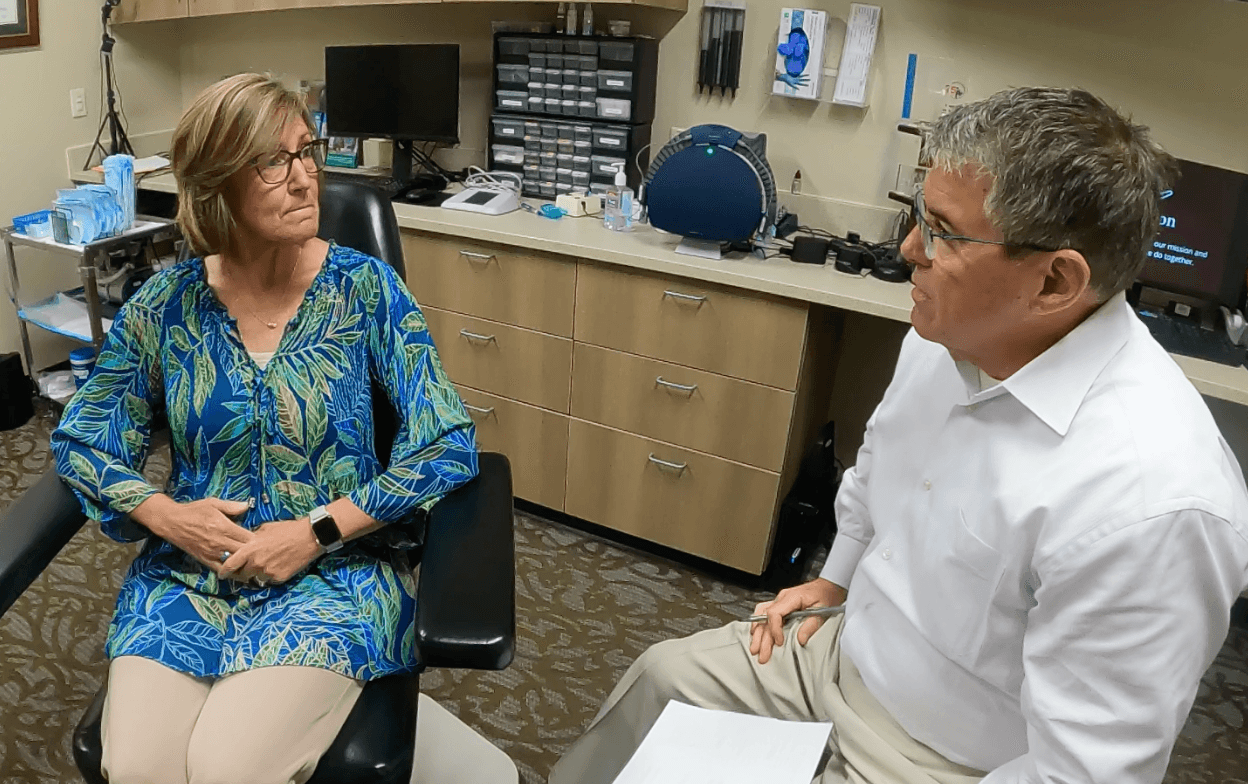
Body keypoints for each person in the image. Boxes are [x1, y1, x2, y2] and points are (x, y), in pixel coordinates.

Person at [550, 87, 1248, 784]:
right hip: (840, 654)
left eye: (943, 231)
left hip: (945, 761)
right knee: (663, 680)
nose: (910, 248)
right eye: (920, 214)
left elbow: (1081, 774)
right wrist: (835, 579)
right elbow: (880, 468)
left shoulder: (1154, 503)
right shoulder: (947, 337)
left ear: (1055, 282)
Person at [51, 73, 500, 784]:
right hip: (190, 576)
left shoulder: (364, 290)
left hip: (333, 578)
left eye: (306, 152)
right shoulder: (165, 306)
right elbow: (83, 438)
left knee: (226, 769)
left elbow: (446, 441)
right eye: (272, 161)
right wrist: (168, 517)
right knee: (135, 768)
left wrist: (316, 531)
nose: (304, 177)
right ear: (217, 186)